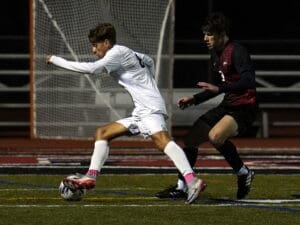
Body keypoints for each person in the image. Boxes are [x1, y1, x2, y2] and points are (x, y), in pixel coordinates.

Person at [46, 23, 206, 204]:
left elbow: (91, 69)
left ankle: (192, 181)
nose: (93, 50)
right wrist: (147, 83)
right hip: (142, 110)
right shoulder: (127, 52)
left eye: (95, 45)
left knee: (162, 140)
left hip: (150, 108)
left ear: (106, 42)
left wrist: (55, 60)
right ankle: (90, 177)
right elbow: (149, 61)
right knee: (103, 133)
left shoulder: (116, 53)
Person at [156, 12, 257, 200]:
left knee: (215, 137)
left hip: (244, 108)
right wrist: (195, 98)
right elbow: (217, 89)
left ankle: (243, 173)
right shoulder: (216, 54)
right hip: (228, 104)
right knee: (191, 139)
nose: (205, 38)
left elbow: (249, 80)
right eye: (204, 34)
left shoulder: (237, 50)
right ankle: (181, 187)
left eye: (209, 34)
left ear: (221, 33)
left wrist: (220, 88)